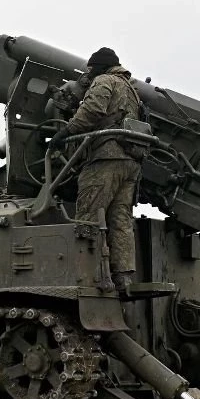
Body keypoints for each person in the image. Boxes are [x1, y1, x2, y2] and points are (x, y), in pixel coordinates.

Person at [49, 47, 143, 290]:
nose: (89, 73)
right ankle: (123, 278)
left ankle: (90, 275)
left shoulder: (105, 81)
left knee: (89, 215)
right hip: (130, 161)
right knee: (120, 219)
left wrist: (65, 132)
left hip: (106, 158)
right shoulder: (131, 89)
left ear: (100, 67)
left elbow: (92, 111)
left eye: (91, 68)